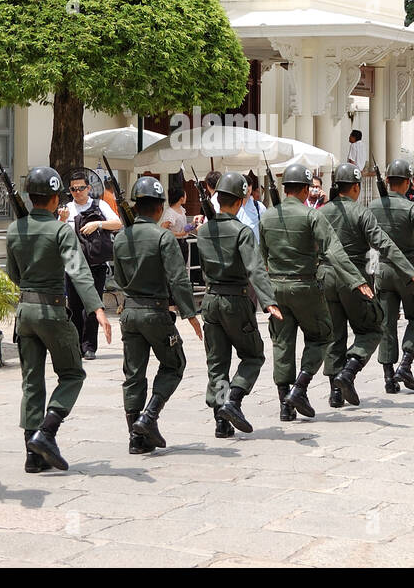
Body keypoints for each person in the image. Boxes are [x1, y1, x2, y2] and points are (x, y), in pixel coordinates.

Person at [6, 166, 112, 473]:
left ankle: (32, 455)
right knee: (73, 374)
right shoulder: (60, 230)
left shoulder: (16, 230)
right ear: (54, 199)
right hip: (53, 311)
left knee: (32, 383)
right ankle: (47, 432)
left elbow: (14, 275)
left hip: (25, 312)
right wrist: (97, 308)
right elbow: (78, 270)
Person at [257, 163, 368, 420]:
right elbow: (333, 249)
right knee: (322, 336)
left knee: (282, 343)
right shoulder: (311, 215)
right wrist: (356, 279)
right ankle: (300, 387)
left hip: (276, 287)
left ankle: (285, 406)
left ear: (286, 189)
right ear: (307, 190)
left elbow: (262, 256)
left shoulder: (267, 216)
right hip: (305, 285)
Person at [111, 176, 203, 454]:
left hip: (129, 312)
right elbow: (178, 279)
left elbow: (117, 276)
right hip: (156, 312)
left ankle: (135, 438)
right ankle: (148, 417)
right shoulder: (163, 237)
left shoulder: (120, 238)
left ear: (137, 206)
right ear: (160, 206)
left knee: (133, 374)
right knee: (174, 364)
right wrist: (191, 315)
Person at [320, 163, 414, 408]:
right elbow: (383, 243)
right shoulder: (362, 212)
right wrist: (410, 270)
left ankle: (335, 393)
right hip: (355, 279)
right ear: (356, 187)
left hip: (326, 278)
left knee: (335, 335)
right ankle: (349, 371)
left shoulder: (321, 212)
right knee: (372, 329)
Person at [195, 171, 281, 438]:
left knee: (218, 362)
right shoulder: (242, 231)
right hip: (236, 300)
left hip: (210, 301)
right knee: (253, 355)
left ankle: (221, 420)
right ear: (242, 200)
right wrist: (269, 301)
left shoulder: (203, 231)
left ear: (218, 198)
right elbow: (255, 268)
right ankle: (234, 400)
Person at [349, 159, 414, 394]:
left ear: (387, 181)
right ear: (407, 183)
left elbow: (365, 241)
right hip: (408, 270)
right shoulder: (413, 208)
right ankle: (405, 365)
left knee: (386, 323)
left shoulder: (372, 207)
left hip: (382, 270)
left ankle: (388, 378)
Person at [59, 171, 120, 359]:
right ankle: (77, 344)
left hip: (95, 263)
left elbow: (117, 223)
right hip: (73, 265)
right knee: (75, 306)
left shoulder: (99, 205)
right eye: (73, 189)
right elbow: (56, 233)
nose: (77, 192)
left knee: (93, 307)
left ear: (89, 188)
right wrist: (62, 219)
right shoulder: (66, 209)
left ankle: (89, 346)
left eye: (81, 188)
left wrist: (98, 224)